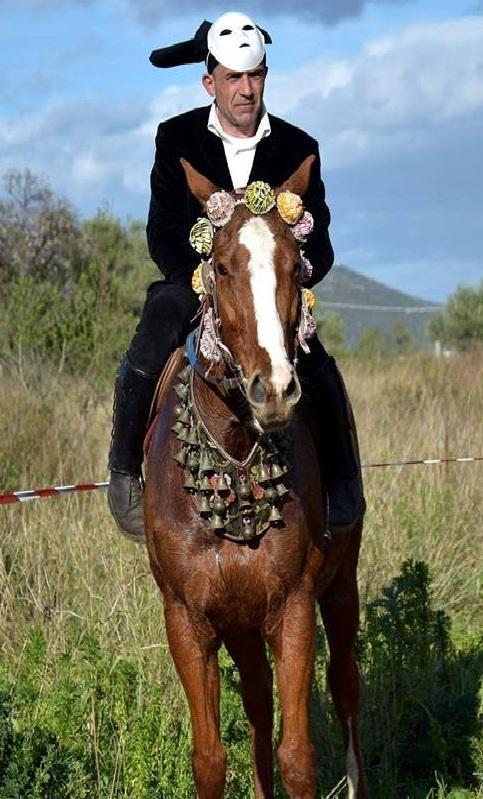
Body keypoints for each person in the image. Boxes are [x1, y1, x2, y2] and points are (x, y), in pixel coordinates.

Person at [107, 11, 365, 542]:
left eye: (255, 76)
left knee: (318, 365)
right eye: (233, 78)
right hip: (196, 280)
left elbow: (320, 238)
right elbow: (162, 229)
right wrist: (200, 277)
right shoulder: (175, 137)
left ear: (265, 75)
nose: (246, 90)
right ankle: (125, 469)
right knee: (154, 329)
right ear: (210, 83)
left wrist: (293, 273)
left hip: (271, 287)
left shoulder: (299, 146)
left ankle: (343, 481)